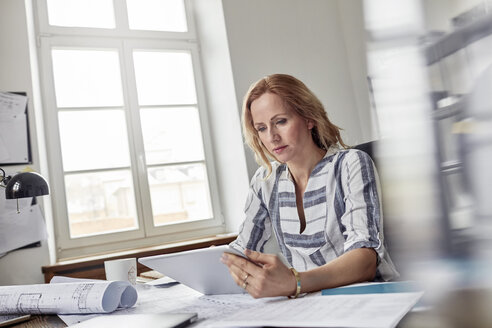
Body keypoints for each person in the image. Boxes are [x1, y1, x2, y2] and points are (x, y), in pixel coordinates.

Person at [221, 74, 399, 299]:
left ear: (309, 119)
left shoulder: (350, 164)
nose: (272, 137)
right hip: (310, 305)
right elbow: (242, 250)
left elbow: (365, 261)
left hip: (371, 299)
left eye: (281, 121)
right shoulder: (265, 181)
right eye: (261, 128)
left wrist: (295, 282)